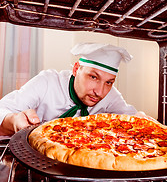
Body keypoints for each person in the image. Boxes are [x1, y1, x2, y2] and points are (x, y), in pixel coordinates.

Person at [0, 42, 145, 136]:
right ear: (76, 69)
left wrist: (141, 118)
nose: (100, 92)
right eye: (93, 77)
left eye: (109, 82)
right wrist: (13, 120)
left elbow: (133, 118)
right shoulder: (47, 82)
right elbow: (3, 110)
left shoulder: (111, 95)